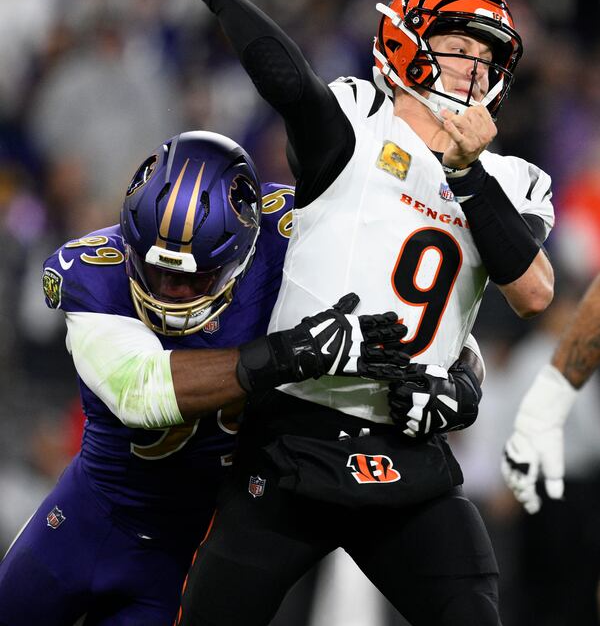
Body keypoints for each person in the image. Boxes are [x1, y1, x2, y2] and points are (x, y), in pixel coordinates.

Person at [160, 0, 555, 626]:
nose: (475, 68)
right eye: (458, 47)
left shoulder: (514, 180)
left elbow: (532, 290)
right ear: (407, 43)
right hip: (292, 444)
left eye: (487, 56)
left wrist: (466, 173)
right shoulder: (353, 123)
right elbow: (286, 79)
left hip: (408, 457)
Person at [0, 129, 410, 626]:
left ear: (242, 251)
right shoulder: (92, 272)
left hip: (197, 549)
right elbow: (142, 390)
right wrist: (290, 353)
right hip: (91, 517)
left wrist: (459, 369)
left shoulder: (292, 238)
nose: (173, 292)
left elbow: (407, 297)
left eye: (194, 277)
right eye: (158, 272)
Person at [502, 274, 600, 515]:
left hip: (582, 477)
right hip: (545, 480)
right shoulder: (531, 359)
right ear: (552, 313)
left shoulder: (574, 355)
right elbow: (513, 421)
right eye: (569, 310)